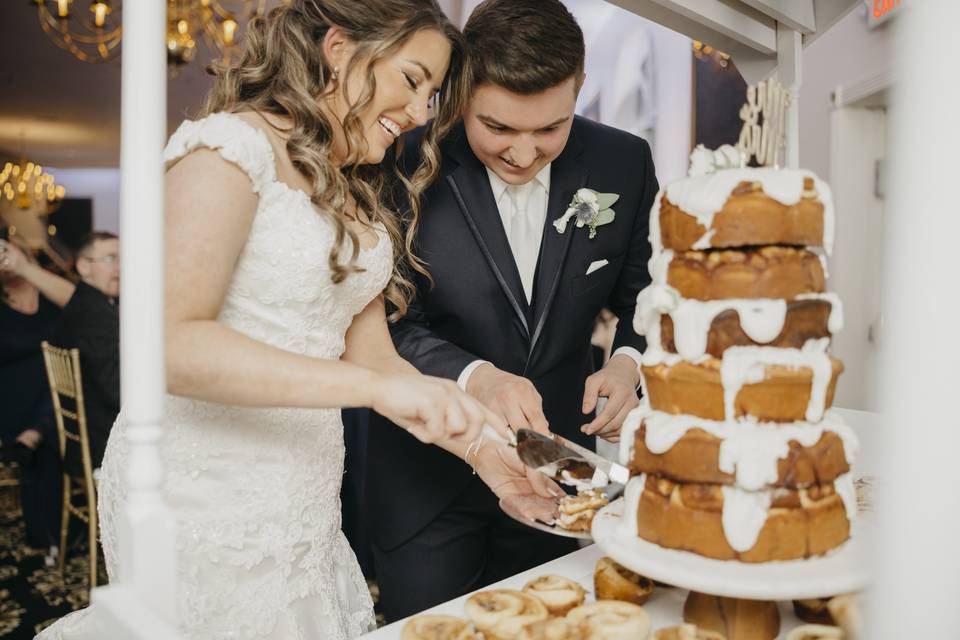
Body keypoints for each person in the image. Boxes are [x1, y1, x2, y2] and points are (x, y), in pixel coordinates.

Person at [39, 1, 559, 639]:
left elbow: (376, 363)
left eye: (433, 92)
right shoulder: (230, 149)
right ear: (340, 49)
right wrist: (373, 389)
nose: (424, 111)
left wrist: (482, 450)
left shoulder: (352, 186)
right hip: (202, 493)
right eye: (413, 79)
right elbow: (167, 346)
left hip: (303, 495)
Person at [366, 0, 659, 621]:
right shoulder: (399, 160)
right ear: (461, 93)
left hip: (554, 469)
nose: (524, 154)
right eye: (498, 128)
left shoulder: (623, 162)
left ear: (579, 91)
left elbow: (647, 291)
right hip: (426, 480)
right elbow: (387, 321)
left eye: (550, 130)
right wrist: (478, 376)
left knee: (551, 625)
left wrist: (630, 360)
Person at [0, 234, 74, 551]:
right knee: (47, 438)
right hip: (14, 396)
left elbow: (80, 303)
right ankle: (53, 536)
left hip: (64, 391)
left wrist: (26, 269)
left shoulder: (50, 288)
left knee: (54, 382)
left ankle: (44, 536)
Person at [51, 231, 120, 474]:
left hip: (82, 438)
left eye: (123, 259)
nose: (119, 268)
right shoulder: (95, 316)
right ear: (84, 266)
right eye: (110, 259)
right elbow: (115, 390)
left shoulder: (86, 302)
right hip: (101, 445)